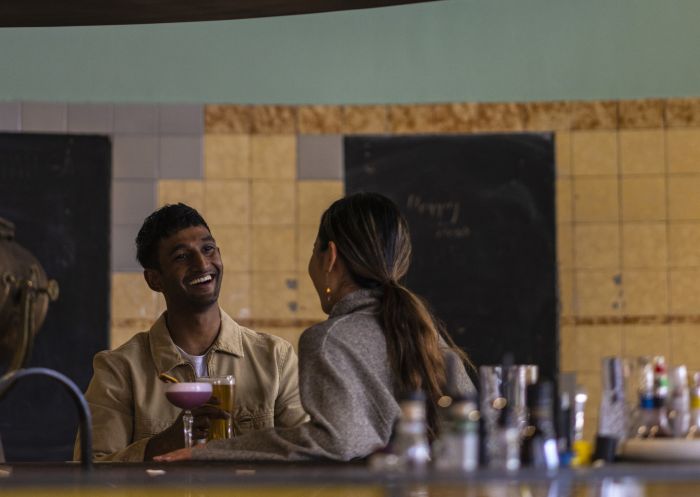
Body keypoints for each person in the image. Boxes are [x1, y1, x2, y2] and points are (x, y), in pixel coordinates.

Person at [155, 192, 475, 463]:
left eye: (313, 251)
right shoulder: (425, 330)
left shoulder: (328, 340)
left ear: (329, 257)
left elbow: (338, 442)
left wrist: (212, 452)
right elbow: (474, 429)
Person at [74, 203, 308, 462]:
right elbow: (90, 472)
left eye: (208, 249)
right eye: (181, 256)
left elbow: (307, 453)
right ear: (155, 280)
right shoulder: (119, 370)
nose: (202, 264)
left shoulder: (276, 358)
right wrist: (166, 442)